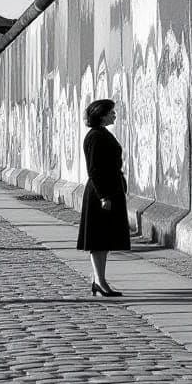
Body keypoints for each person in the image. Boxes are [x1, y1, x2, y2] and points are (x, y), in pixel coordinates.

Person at [76, 98, 130, 296]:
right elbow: (94, 170)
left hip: (110, 191)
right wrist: (104, 196)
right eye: (111, 112)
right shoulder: (95, 137)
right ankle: (100, 282)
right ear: (101, 114)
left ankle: (99, 279)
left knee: (104, 240)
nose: (114, 115)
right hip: (102, 194)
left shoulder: (102, 134)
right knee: (99, 240)